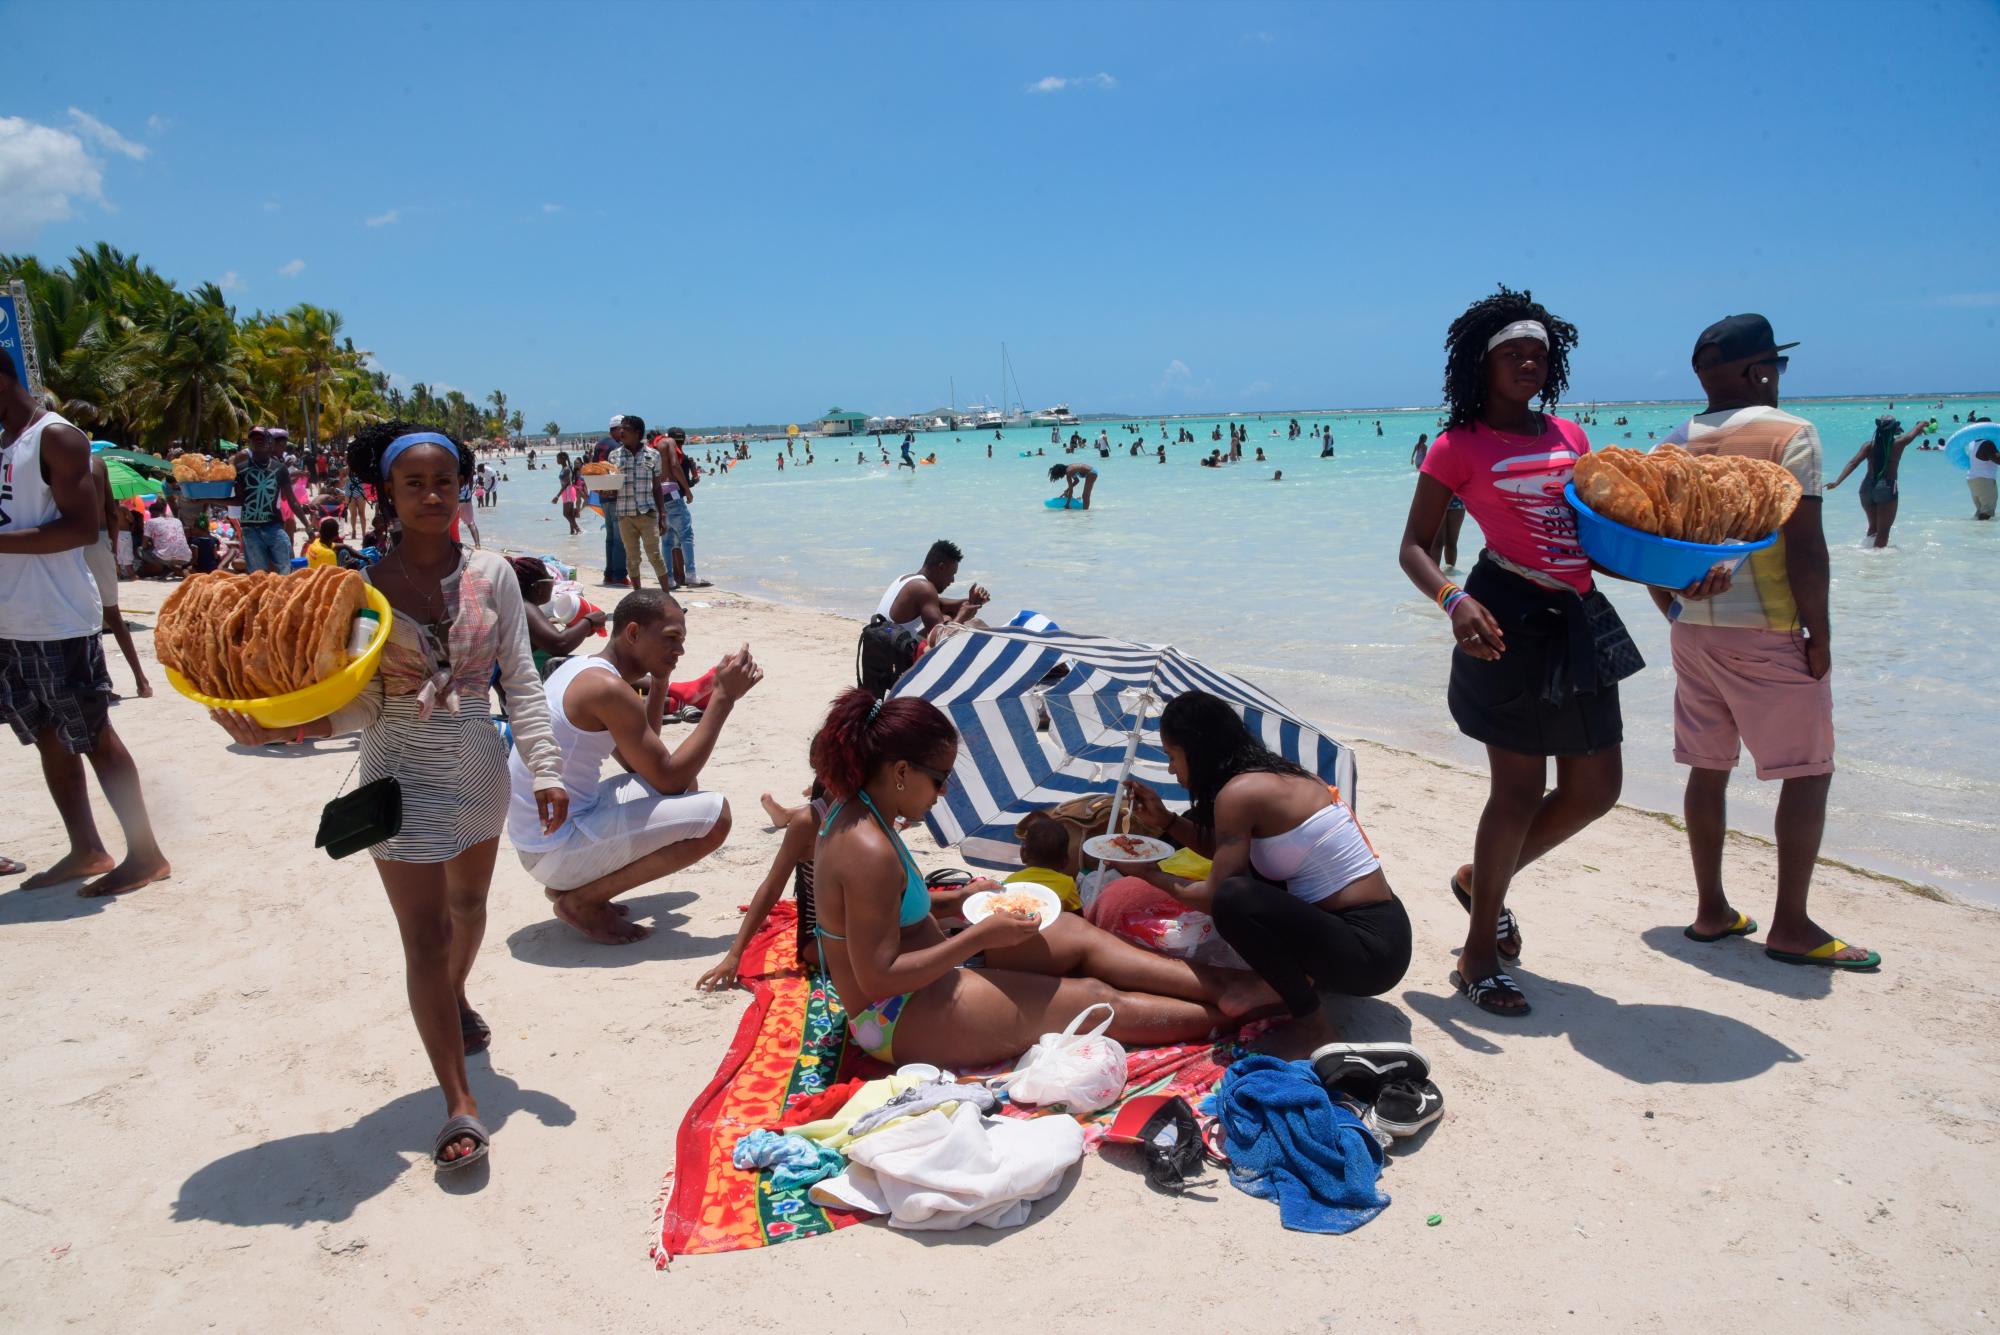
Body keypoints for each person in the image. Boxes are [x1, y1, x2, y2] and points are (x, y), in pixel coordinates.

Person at [207, 420, 567, 1172]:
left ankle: (454, 996)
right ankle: (459, 1101)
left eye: (444, 482)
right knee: (425, 936)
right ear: (389, 494)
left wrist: (547, 766)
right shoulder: (358, 588)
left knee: (469, 912)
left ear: (461, 487)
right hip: (396, 769)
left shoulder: (495, 574)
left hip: (477, 765)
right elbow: (358, 704)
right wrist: (287, 728)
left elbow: (521, 681)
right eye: (415, 484)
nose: (432, 495)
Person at [1395, 286, 1729, 1017]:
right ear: (1480, 363)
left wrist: (1680, 576)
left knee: (1595, 788)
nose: (1529, 362)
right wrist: (1454, 601)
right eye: (1514, 352)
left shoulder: (1573, 439)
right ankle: (1478, 952)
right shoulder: (1458, 446)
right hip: (1502, 616)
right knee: (1515, 790)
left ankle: (1478, 881)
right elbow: (1414, 547)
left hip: (1575, 617)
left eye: (1540, 354)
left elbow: (1599, 546)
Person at [807, 690, 1279, 1067]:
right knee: (1093, 1000)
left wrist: (954, 903)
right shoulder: (867, 848)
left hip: (929, 976)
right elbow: (876, 976)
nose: (945, 790)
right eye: (940, 778)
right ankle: (1230, 1016)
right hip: (893, 1016)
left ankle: (1226, 985)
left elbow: (885, 909)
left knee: (1074, 934)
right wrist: (976, 940)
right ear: (902, 772)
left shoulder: (865, 814)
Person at [1649, 316, 1874, 969]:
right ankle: (1791, 926)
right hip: (1769, 631)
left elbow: (1648, 547)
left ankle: (1712, 909)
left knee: (1707, 766)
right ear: (1759, 371)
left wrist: (1674, 609)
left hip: (1693, 633)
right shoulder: (1791, 433)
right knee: (1808, 771)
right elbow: (1806, 546)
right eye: (1776, 365)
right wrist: (1821, 633)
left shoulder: (1671, 444)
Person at [1115, 693, 1407, 1053]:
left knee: (1233, 898)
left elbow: (1215, 896)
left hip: (1368, 954)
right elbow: (1230, 851)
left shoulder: (1239, 794)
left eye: (1171, 756)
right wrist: (1168, 822)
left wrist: (1147, 874)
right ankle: (1298, 984)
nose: (1173, 770)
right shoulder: (1276, 776)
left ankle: (1313, 1024)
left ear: (1196, 749)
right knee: (1245, 885)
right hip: (1383, 930)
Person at [0, 354, 170, 897]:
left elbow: (81, 528)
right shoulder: (5, 444)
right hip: (11, 616)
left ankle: (145, 854)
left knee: (94, 732)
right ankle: (87, 848)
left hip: (57, 615)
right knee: (48, 735)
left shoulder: (57, 438)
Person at [507, 590, 753, 944]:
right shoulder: (607, 688)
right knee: (716, 818)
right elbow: (668, 778)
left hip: (540, 840)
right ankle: (580, 899)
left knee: (688, 788)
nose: (680, 650)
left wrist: (660, 683)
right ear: (634, 633)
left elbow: (646, 761)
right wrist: (724, 698)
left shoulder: (585, 669)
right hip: (554, 848)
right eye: (671, 638)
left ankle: (582, 886)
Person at [698, 772, 828, 989]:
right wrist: (734, 954)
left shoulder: (868, 805)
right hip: (820, 939)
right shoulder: (808, 822)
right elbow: (772, 887)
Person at [83, 454, 152, 697]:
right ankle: (141, 681)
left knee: (77, 619)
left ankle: (96, 683)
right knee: (112, 614)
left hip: (61, 541)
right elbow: (111, 512)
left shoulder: (46, 456)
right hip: (96, 538)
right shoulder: (96, 462)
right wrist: (111, 548)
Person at [1828, 416, 1924, 547]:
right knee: (1883, 532)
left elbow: (1853, 463)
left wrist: (1837, 482)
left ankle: (1867, 556)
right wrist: (1923, 423)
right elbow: (1916, 430)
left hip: (1866, 488)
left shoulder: (1869, 446)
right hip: (1886, 487)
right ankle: (1878, 564)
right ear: (1894, 428)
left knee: (1873, 527)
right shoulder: (1898, 443)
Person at [506, 555, 608, 673]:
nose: (554, 584)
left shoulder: (516, 605)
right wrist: (588, 622)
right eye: (551, 579)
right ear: (539, 587)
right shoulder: (526, 607)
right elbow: (559, 644)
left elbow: (549, 640)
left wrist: (577, 628)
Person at [601, 415, 668, 590]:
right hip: (624, 514)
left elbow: (657, 487)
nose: (621, 431)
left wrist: (663, 513)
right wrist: (605, 488)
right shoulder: (614, 456)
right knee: (632, 558)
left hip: (648, 513)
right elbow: (612, 485)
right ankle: (637, 596)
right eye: (620, 428)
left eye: (626, 429)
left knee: (655, 556)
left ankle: (668, 598)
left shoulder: (653, 455)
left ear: (637, 433)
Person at [876, 540, 989, 641]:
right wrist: (962, 616)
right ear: (941, 568)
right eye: (952, 574)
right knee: (975, 624)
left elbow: (940, 604)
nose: (952, 580)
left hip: (882, 645)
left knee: (947, 618)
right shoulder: (925, 589)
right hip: (899, 656)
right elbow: (941, 639)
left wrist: (971, 601)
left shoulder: (906, 579)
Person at [233, 427, 294, 574]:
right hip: (250, 529)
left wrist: (308, 527)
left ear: (269, 443)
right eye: (254, 439)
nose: (258, 442)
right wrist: (204, 499)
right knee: (258, 574)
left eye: (262, 439)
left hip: (274, 526)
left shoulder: (280, 469)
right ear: (249, 444)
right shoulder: (240, 470)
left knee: (285, 568)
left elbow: (292, 500)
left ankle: (283, 596)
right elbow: (239, 500)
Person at [659, 427, 708, 588]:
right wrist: (688, 490)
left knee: (667, 541)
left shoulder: (657, 449)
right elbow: (675, 468)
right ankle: (691, 575)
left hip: (660, 496)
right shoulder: (676, 451)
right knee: (686, 536)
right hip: (674, 495)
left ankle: (670, 578)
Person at [1005, 812, 1081, 912]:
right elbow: (1078, 915)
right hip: (1055, 927)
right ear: (1065, 861)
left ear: (1023, 854)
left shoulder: (1012, 881)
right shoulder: (1067, 884)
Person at [594, 429, 629, 587]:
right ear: (616, 430)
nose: (624, 433)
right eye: (622, 430)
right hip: (615, 495)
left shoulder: (599, 445)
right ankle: (619, 575)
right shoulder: (616, 448)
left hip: (603, 495)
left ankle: (609, 573)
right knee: (619, 539)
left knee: (610, 538)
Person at [137, 502, 192, 578]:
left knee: (140, 550)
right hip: (186, 558)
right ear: (163, 511)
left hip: (165, 558)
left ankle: (167, 568)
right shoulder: (177, 521)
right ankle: (169, 568)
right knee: (163, 550)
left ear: (152, 512)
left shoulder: (150, 522)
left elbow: (144, 545)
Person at [1968, 435, 1999, 519]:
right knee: (1987, 512)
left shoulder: (1972, 443)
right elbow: (1997, 460)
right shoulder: (1987, 444)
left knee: (1981, 511)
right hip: (1984, 480)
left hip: (1972, 479)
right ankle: (1982, 531)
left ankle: (1976, 530)